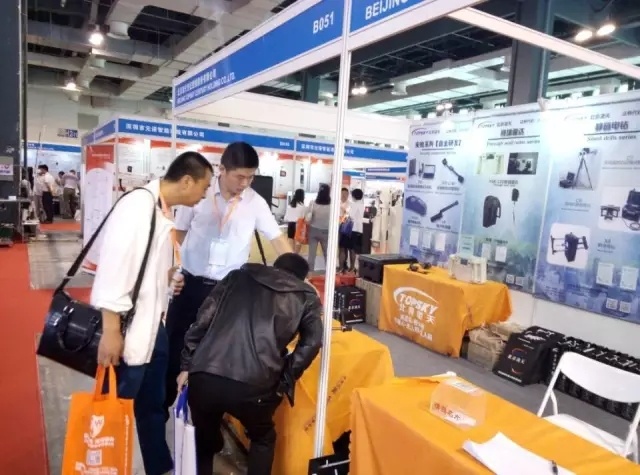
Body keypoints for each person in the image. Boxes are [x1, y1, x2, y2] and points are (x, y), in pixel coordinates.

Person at [91, 151, 213, 475]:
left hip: (153, 329)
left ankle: (158, 467)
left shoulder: (162, 210)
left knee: (152, 406)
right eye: (204, 187)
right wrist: (111, 330)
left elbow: (145, 270)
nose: (204, 195)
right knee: (115, 410)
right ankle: (104, 466)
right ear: (186, 181)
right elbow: (114, 268)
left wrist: (168, 281)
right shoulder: (137, 206)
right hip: (128, 330)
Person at [164, 141, 293, 418]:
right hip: (190, 285)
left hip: (228, 292)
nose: (244, 183)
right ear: (222, 169)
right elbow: (179, 234)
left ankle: (205, 418)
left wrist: (297, 276)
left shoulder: (255, 203)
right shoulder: (199, 194)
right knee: (175, 348)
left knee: (216, 356)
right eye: (239, 177)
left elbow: (277, 238)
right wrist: (171, 267)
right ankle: (164, 407)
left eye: (251, 177)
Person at [177, 253, 323, 475]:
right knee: (262, 437)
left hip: (205, 373)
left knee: (203, 437)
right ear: (302, 277)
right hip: (256, 386)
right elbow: (312, 343)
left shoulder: (236, 276)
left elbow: (202, 320)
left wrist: (187, 364)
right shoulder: (306, 297)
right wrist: (285, 376)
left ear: (273, 266)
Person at [305, 183, 331, 272]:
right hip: (326, 231)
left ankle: (309, 273)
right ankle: (329, 273)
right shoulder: (332, 204)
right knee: (327, 254)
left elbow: (307, 217)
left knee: (311, 255)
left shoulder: (312, 203)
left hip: (313, 230)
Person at [284, 188, 306, 253]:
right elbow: (304, 218)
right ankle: (296, 257)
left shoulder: (289, 206)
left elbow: (286, 218)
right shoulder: (303, 207)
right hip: (298, 226)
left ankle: (291, 257)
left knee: (291, 244)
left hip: (290, 225)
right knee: (298, 244)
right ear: (302, 196)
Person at [348, 188, 366, 270]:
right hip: (361, 229)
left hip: (354, 229)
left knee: (352, 249)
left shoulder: (354, 205)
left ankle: (352, 267)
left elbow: (351, 215)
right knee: (358, 249)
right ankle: (358, 267)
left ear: (353, 196)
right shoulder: (362, 205)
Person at [338, 187, 352, 273]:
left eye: (345, 194)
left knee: (344, 247)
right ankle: (341, 265)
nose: (344, 195)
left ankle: (343, 265)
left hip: (345, 228)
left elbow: (348, 216)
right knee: (340, 248)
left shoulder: (349, 204)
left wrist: (343, 215)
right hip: (337, 227)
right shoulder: (337, 203)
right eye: (342, 193)